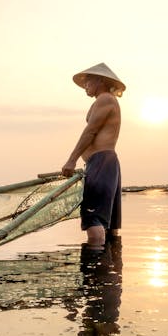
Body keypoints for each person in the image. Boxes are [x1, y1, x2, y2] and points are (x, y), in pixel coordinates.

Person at [62, 63, 124, 251]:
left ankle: (95, 273)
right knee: (109, 223)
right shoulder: (106, 100)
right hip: (106, 163)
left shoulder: (105, 99)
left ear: (100, 80)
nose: (85, 84)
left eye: (88, 80)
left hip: (101, 163)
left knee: (93, 218)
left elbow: (90, 131)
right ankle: (111, 273)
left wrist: (71, 159)